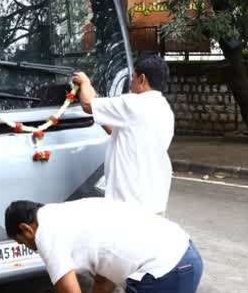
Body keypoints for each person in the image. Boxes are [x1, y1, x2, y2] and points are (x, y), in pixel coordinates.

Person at [5, 198, 203, 293]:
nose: (30, 249)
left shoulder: (46, 234)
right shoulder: (67, 213)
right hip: (186, 258)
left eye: (23, 243)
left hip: (164, 273)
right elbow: (103, 285)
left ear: (26, 229)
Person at [72, 55, 174, 215]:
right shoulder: (163, 108)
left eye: (133, 76)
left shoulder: (133, 103)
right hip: (153, 200)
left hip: (130, 202)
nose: (130, 80)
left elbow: (86, 104)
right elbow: (117, 131)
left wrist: (85, 82)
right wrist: (101, 112)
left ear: (142, 78)